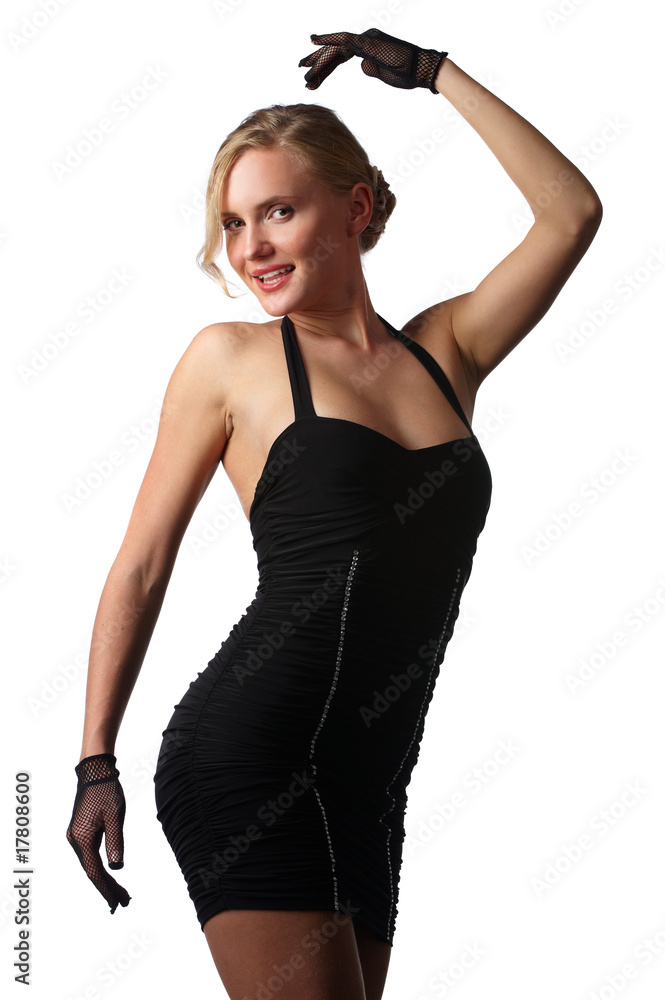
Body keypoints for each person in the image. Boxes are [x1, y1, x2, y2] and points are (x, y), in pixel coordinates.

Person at [66, 27, 602, 1000]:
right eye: (233, 223)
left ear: (354, 207)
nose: (251, 248)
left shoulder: (446, 352)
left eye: (277, 210)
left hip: (370, 784)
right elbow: (142, 562)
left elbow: (570, 213)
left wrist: (436, 74)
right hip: (249, 750)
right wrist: (94, 758)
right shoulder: (229, 360)